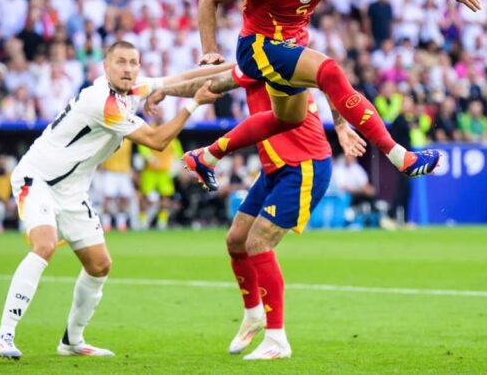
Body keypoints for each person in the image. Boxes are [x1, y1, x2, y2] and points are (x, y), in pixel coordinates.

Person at [183, 0, 481, 190]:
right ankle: (399, 156)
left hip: (291, 45)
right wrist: (209, 49)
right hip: (258, 45)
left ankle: (207, 156)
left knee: (288, 118)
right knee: (329, 70)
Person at [0, 41, 224, 360]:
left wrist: (240, 68)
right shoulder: (102, 102)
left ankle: (72, 341)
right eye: (121, 62)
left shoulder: (131, 89)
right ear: (106, 67)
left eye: (133, 63)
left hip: (71, 190)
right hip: (38, 179)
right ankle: (4, 336)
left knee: (99, 265)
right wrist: (194, 104)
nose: (128, 68)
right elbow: (157, 141)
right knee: (44, 246)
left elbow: (178, 79)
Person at [145, 64, 366, 360]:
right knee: (236, 240)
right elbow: (210, 83)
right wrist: (164, 89)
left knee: (258, 242)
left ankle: (277, 339)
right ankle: (253, 314)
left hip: (304, 165)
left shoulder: (279, 59)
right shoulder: (255, 61)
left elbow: (331, 82)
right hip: (275, 167)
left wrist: (340, 125)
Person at [137, 112, 183, 230]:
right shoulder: (149, 130)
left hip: (164, 172)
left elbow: (177, 152)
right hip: (150, 171)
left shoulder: (169, 133)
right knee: (145, 196)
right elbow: (142, 145)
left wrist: (178, 165)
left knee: (165, 197)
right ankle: (142, 221)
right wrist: (149, 158)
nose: (160, 118)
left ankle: (162, 222)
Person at [94, 139, 135, 232]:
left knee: (124, 198)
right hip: (110, 171)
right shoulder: (109, 138)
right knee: (108, 197)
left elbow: (132, 154)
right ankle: (106, 223)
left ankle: (121, 222)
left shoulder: (129, 140)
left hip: (124, 172)